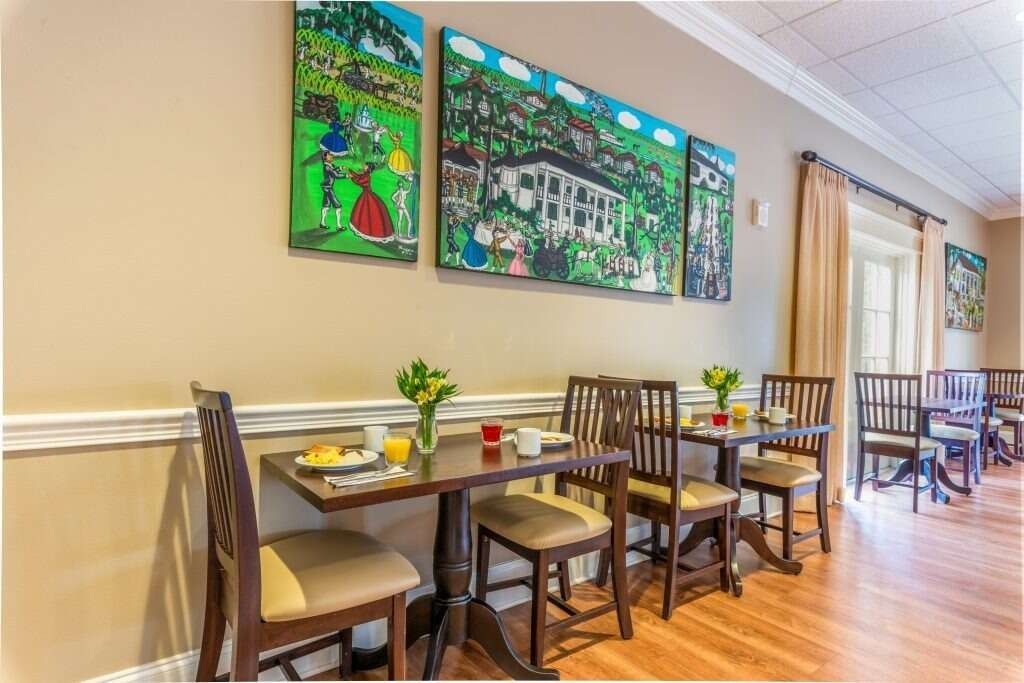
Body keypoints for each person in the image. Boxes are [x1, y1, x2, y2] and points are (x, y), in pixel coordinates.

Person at [348, 163, 394, 243]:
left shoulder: (367, 176)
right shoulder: (365, 174)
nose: (363, 166)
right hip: (366, 194)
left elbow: (360, 181)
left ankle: (372, 233)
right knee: (363, 212)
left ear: (368, 168)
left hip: (367, 195)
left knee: (370, 213)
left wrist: (352, 176)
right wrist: (351, 172)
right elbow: (359, 177)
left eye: (365, 166)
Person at [319, 152, 345, 231]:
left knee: (326, 206)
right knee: (338, 207)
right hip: (328, 188)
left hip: (326, 187)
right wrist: (346, 176)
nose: (331, 156)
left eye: (331, 155)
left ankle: (322, 223)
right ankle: (339, 226)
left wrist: (339, 168)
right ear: (325, 158)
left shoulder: (330, 166)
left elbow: (334, 170)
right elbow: (335, 175)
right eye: (329, 155)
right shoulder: (327, 167)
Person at [391, 174, 413, 243]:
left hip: (401, 206)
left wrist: (410, 184)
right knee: (407, 220)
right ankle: (403, 234)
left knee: (402, 219)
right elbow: (392, 197)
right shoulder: (400, 191)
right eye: (400, 185)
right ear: (399, 186)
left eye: (401, 185)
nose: (401, 187)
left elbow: (409, 191)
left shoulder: (403, 191)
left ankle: (405, 234)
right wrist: (396, 202)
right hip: (402, 206)